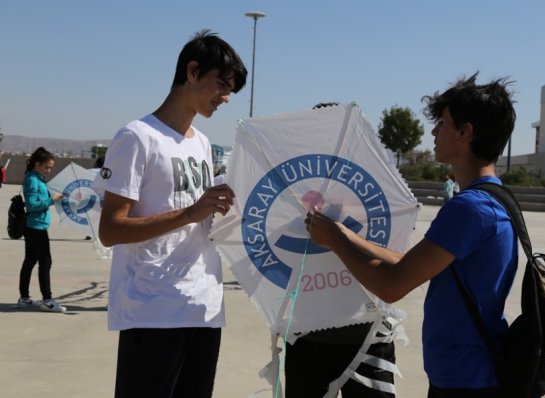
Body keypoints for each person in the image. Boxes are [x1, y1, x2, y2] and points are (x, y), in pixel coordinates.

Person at [306, 73, 518, 398]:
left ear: (466, 132)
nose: (434, 131)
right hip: (470, 372)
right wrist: (345, 234)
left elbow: (392, 285)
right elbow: (408, 263)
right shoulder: (495, 198)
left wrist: (335, 240)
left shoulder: (470, 208)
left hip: (467, 380)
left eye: (443, 123)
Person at [93, 29, 247, 398]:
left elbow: (200, 218)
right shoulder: (137, 136)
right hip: (153, 311)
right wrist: (190, 212)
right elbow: (110, 230)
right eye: (221, 85)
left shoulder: (203, 143)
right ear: (192, 71)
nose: (225, 98)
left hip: (204, 307)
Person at [283, 102, 397, 398]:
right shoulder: (291, 194)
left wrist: (339, 229)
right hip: (308, 334)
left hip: (367, 336)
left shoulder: (377, 190)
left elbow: (394, 258)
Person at [17, 147, 66, 312]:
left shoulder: (38, 178)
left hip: (37, 225)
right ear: (37, 164)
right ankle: (47, 299)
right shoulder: (32, 180)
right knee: (45, 261)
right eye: (47, 167)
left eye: (50, 167)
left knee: (30, 260)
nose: (49, 170)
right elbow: (32, 205)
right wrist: (51, 200)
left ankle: (24, 298)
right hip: (35, 226)